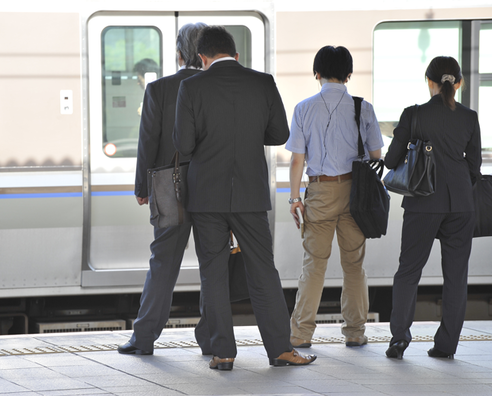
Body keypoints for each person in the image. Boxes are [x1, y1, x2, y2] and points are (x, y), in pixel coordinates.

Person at [173, 25, 316, 370]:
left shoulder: (190, 87)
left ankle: (223, 352)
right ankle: (281, 349)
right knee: (263, 270)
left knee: (214, 272)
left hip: (206, 196)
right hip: (251, 194)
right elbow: (279, 133)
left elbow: (183, 145)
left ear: (202, 58)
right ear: (236, 55)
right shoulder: (262, 82)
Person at [118, 23, 210, 356]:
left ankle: (143, 339)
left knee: (163, 263)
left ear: (179, 53)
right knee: (213, 264)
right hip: (212, 187)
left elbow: (148, 141)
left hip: (170, 187)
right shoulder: (217, 86)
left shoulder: (158, 89)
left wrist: (142, 186)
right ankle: (212, 338)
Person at [384, 56, 482, 359]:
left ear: (430, 82)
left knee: (409, 271)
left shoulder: (414, 115)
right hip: (461, 206)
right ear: (459, 83)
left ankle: (399, 339)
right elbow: (475, 167)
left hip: (423, 202)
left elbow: (390, 162)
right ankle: (446, 345)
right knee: (456, 276)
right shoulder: (469, 117)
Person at [286, 46, 383, 350]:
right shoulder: (363, 108)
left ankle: (301, 335)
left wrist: (293, 199)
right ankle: (354, 332)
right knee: (353, 264)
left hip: (320, 192)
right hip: (355, 192)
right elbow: (377, 155)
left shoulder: (304, 107)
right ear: (349, 74)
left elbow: (296, 161)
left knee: (314, 265)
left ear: (317, 73)